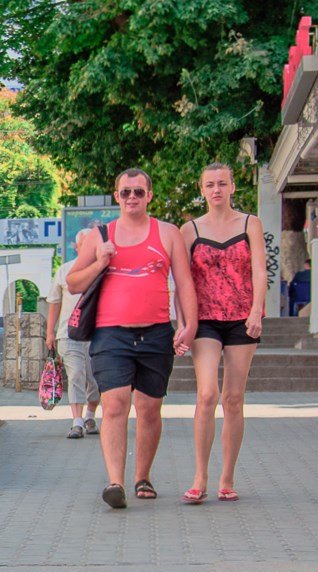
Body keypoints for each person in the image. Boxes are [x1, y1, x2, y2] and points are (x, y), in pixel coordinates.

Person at [67, 168, 198, 508]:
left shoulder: (167, 234)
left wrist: (190, 325)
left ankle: (142, 476)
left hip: (156, 332)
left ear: (149, 196)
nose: (132, 198)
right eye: (125, 192)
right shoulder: (101, 235)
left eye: (138, 192)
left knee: (150, 408)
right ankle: (115, 482)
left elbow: (184, 283)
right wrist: (101, 261)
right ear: (117, 196)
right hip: (110, 334)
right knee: (114, 405)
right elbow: (73, 282)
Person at [179, 162, 266, 504]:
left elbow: (259, 269)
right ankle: (199, 476)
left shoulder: (250, 224)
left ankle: (226, 478)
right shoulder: (190, 230)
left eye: (222, 183)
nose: (216, 190)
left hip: (243, 319)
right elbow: (182, 281)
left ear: (233, 187)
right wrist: (183, 323)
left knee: (233, 398)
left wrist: (257, 310)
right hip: (205, 322)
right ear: (201, 190)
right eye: (210, 184)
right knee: (207, 395)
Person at [46, 228, 100, 439]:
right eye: (83, 245)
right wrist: (50, 333)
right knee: (76, 373)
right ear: (77, 248)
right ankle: (77, 421)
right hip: (68, 334)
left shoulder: (102, 271)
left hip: (96, 335)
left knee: (94, 380)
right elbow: (54, 303)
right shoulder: (64, 271)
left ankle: (90, 415)